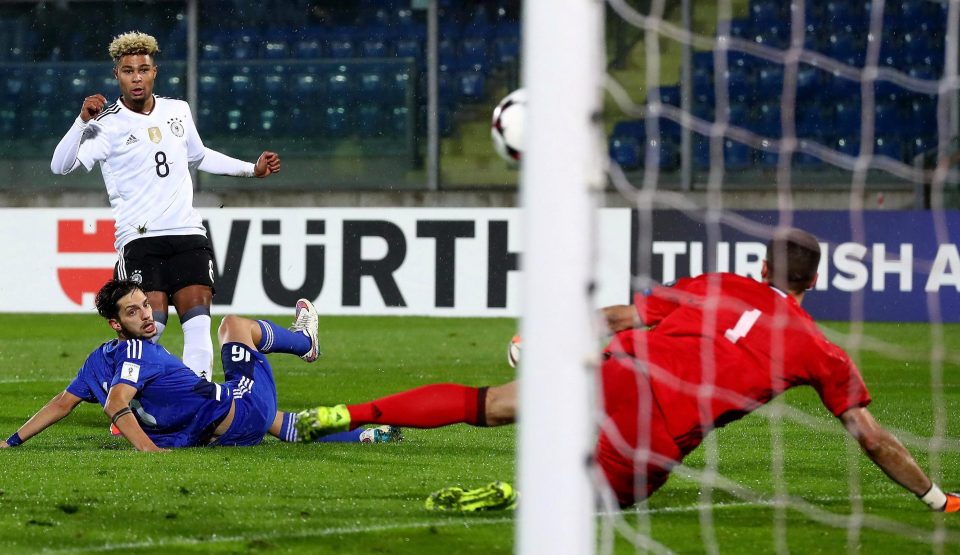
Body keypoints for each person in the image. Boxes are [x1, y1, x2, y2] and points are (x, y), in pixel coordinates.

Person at [294, 228, 960, 513]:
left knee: (491, 401)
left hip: (616, 368)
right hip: (661, 427)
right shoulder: (823, 349)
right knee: (622, 495)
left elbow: (618, 315)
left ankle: (343, 413)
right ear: (814, 281)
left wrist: (547, 335)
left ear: (761, 268)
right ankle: (522, 493)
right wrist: (938, 496)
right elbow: (871, 435)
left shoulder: (718, 281)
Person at [50, 31, 282, 382]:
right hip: (140, 239)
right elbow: (60, 166)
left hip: (187, 233)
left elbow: (200, 155)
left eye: (143, 69)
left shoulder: (178, 111)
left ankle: (197, 403)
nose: (137, 77)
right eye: (128, 71)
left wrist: (251, 169)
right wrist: (82, 121)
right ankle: (125, 402)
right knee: (150, 328)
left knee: (198, 321)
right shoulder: (105, 124)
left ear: (155, 71)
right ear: (117, 75)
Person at [0, 279, 400, 450]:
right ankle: (306, 342)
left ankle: (366, 437)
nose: (145, 315)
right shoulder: (137, 352)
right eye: (133, 311)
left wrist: (12, 441)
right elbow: (111, 402)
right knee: (233, 326)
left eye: (145, 305)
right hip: (239, 415)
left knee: (279, 423)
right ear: (115, 323)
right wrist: (145, 449)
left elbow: (64, 403)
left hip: (217, 430)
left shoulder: (99, 359)